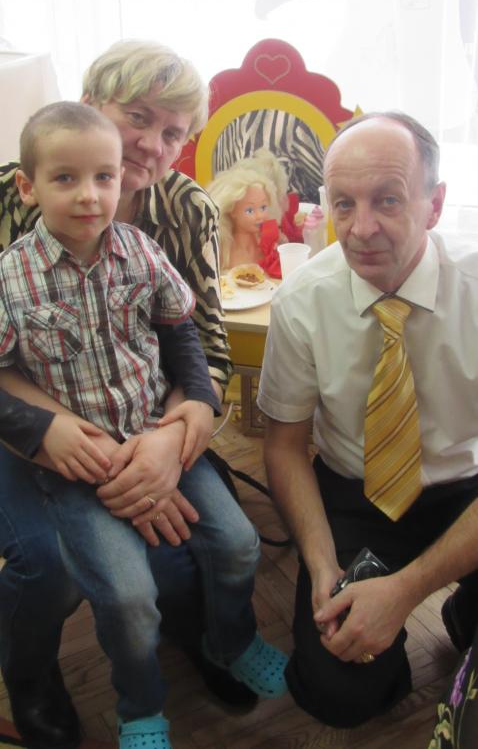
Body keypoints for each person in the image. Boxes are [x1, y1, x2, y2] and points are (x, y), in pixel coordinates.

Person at [0, 41, 283, 749]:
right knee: (51, 564)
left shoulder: (180, 213)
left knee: (217, 538)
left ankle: (213, 637)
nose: (153, 144)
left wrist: (174, 437)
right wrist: (53, 433)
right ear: (89, 106)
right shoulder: (12, 206)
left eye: (173, 131)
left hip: (147, 413)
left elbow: (200, 338)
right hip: (29, 426)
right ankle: (33, 676)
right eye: (137, 117)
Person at [256, 110, 478, 727]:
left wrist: (405, 591)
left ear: (435, 205)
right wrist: (321, 566)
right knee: (338, 691)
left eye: (388, 200)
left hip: (465, 487)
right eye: (343, 204)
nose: (361, 229)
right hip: (358, 491)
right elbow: (284, 445)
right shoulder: (303, 299)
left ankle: (463, 610)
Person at [206, 160, 281, 269]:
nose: (259, 216)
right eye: (250, 210)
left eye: (263, 207)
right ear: (232, 211)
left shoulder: (267, 246)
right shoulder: (224, 254)